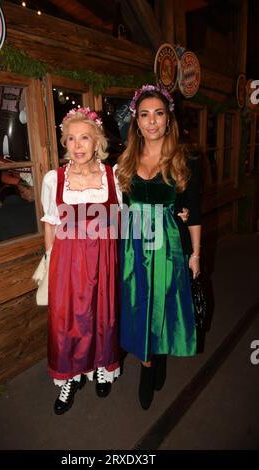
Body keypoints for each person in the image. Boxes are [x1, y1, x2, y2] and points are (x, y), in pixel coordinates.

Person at [116, 84, 201, 410]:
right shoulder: (126, 159)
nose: (152, 121)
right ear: (136, 121)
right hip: (133, 244)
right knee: (139, 305)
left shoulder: (186, 158)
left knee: (163, 303)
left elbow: (194, 210)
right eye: (144, 115)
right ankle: (148, 362)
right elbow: (120, 207)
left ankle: (155, 360)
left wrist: (195, 253)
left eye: (159, 114)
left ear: (168, 119)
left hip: (167, 245)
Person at [40, 107, 121, 415]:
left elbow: (120, 219)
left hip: (102, 258)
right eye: (71, 138)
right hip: (67, 260)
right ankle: (69, 377)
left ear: (97, 140)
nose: (77, 145)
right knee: (66, 321)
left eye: (84, 137)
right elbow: (50, 222)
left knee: (102, 315)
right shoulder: (55, 178)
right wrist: (50, 261)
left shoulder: (111, 176)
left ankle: (102, 365)